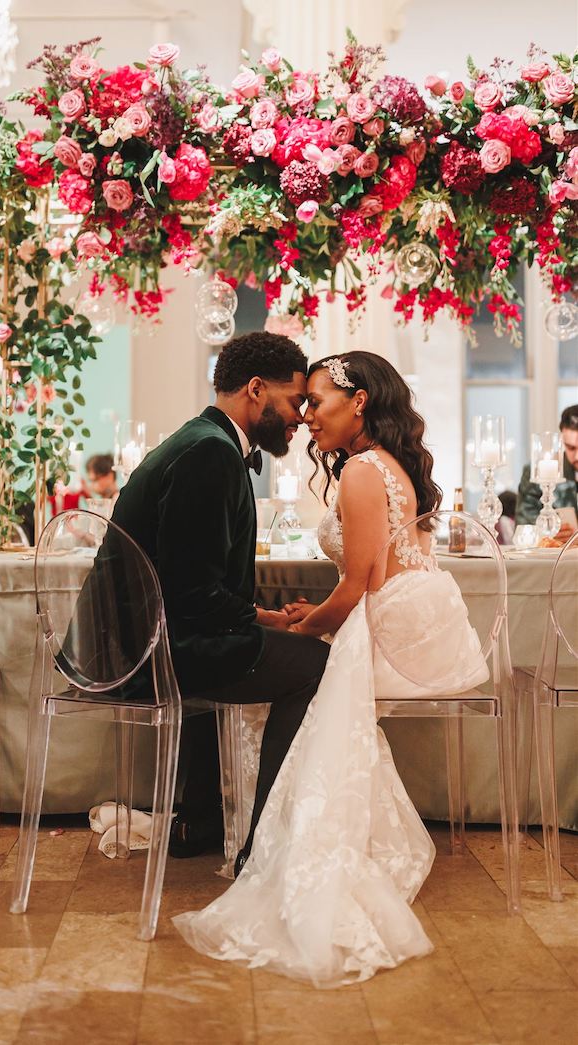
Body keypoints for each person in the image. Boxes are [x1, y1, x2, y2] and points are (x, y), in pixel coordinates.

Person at [173, 351, 489, 987]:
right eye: (306, 403)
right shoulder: (385, 464)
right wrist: (312, 616)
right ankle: (259, 835)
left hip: (395, 628)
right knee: (309, 672)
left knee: (306, 675)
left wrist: (303, 621)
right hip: (417, 621)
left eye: (317, 402)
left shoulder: (362, 472)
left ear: (360, 402)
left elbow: (356, 589)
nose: (308, 416)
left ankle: (269, 846)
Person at [111, 332, 330, 859]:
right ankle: (263, 844)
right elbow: (193, 592)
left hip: (152, 638)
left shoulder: (202, 441)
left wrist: (254, 619)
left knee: (264, 645)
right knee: (318, 664)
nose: (301, 417)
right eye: (295, 400)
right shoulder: (210, 454)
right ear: (256, 389)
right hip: (156, 651)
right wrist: (266, 620)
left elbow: (194, 585)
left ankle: (201, 818)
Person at [516, 404, 578, 541]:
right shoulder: (537, 471)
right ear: (562, 441)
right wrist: (546, 533)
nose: (577, 456)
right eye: (571, 448)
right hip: (552, 559)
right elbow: (522, 527)